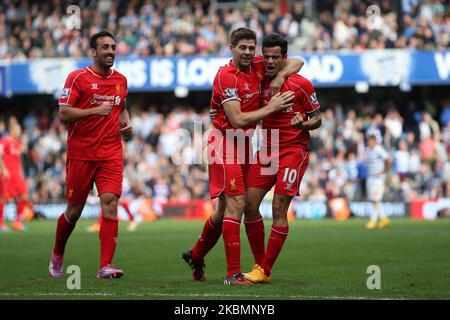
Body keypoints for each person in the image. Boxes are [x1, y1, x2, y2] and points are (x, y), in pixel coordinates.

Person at [182, 27, 304, 285]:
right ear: (231, 48)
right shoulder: (227, 76)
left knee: (224, 210)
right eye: (242, 48)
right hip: (224, 141)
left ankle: (196, 255)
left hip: (245, 144)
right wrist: (271, 107)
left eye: (251, 48)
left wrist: (281, 75)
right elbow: (236, 119)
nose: (248, 52)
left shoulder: (259, 66)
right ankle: (232, 274)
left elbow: (297, 61)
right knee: (237, 205)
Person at [49, 30, 133, 279]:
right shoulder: (78, 78)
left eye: (113, 47)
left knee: (110, 204)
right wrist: (95, 111)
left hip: (110, 153)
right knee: (74, 211)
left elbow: (122, 108)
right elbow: (64, 113)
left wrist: (125, 125)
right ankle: (57, 253)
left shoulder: (121, 80)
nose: (110, 51)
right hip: (82, 153)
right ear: (93, 52)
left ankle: (105, 265)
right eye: (105, 47)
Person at [243, 33, 322, 283]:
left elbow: (317, 118)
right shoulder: (257, 77)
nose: (269, 61)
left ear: (283, 58)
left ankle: (265, 270)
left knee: (279, 208)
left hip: (293, 150)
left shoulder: (301, 84)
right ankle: (259, 264)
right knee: (249, 205)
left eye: (275, 57)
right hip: (267, 150)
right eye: (265, 56)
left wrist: (304, 125)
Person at [0, 121, 34, 232]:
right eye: (18, 130)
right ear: (13, 130)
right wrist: (3, 169)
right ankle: (0, 223)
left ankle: (17, 221)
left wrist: (21, 172)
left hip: (16, 174)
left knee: (25, 195)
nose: (19, 132)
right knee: (3, 198)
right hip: (7, 174)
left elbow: (18, 160)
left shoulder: (17, 142)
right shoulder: (4, 141)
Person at [364, 135, 391, 229]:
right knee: (373, 200)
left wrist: (385, 171)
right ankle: (374, 221)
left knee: (376, 199)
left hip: (378, 178)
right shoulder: (368, 150)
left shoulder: (378, 149)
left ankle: (383, 218)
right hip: (371, 177)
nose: (369, 143)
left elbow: (388, 159)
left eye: (371, 141)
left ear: (375, 141)